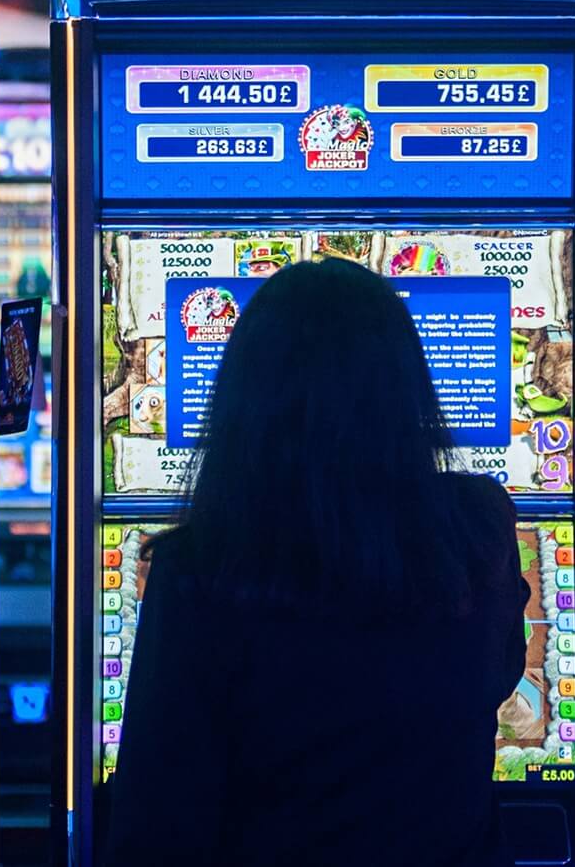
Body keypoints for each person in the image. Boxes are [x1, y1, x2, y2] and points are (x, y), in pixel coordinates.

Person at [99, 257, 530, 866]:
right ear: (406, 387)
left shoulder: (203, 571)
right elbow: (498, 676)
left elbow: (157, 822)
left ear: (246, 403)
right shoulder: (479, 532)